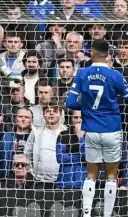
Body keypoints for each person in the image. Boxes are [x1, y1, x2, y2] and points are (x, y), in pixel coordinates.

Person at [66, 39, 128, 217]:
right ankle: (107, 215)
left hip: (91, 130)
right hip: (112, 129)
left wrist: (87, 107)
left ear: (91, 53)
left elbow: (70, 102)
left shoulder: (82, 73)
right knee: (111, 176)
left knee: (91, 175)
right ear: (108, 55)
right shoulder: (116, 75)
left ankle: (86, 214)